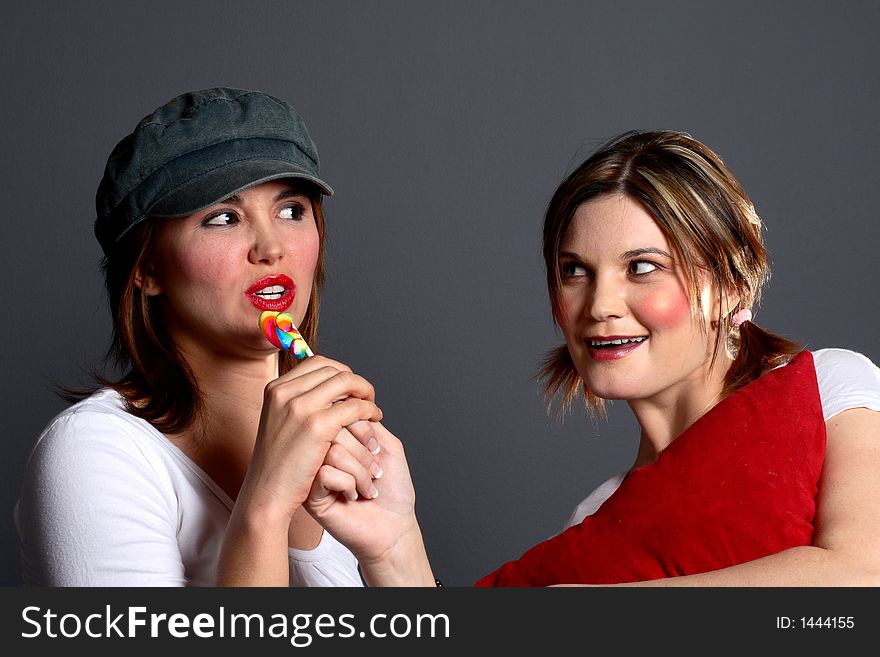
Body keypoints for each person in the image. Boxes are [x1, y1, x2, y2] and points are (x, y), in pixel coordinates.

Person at [308, 130, 880, 586]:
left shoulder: (832, 392)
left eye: (643, 267)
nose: (600, 305)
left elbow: (862, 579)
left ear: (729, 283)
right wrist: (394, 545)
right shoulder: (593, 519)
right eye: (575, 271)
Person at [15, 87, 433, 587]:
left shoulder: (340, 458)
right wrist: (265, 507)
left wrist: (396, 548)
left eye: (292, 210)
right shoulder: (96, 452)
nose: (271, 247)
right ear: (147, 267)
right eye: (223, 218)